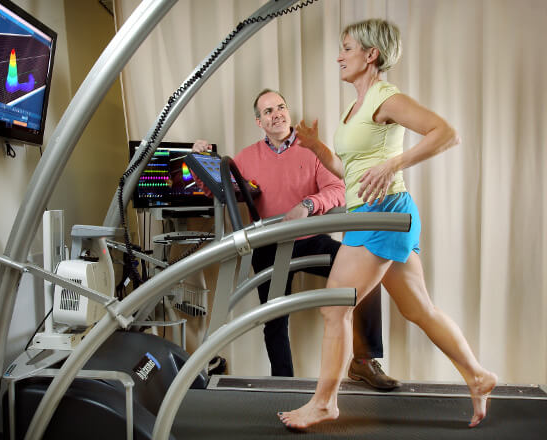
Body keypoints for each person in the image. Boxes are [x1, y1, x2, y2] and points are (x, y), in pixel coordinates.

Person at [277, 19, 497, 429]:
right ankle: (479, 375)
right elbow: (351, 170)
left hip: (384, 215)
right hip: (379, 213)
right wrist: (317, 147)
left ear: (370, 54)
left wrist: (395, 162)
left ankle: (325, 402)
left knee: (332, 306)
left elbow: (446, 133)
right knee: (420, 309)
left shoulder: (386, 97)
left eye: (346, 47)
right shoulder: (356, 107)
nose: (339, 56)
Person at [192, 88, 401, 390]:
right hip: (270, 246)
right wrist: (201, 161)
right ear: (259, 122)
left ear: (287, 112)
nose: (276, 114)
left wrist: (308, 204)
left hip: (310, 239)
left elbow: (338, 189)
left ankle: (364, 361)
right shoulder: (246, 158)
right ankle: (283, 387)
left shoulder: (311, 149)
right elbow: (219, 189)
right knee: (274, 321)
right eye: (268, 111)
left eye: (280, 107)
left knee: (367, 273)